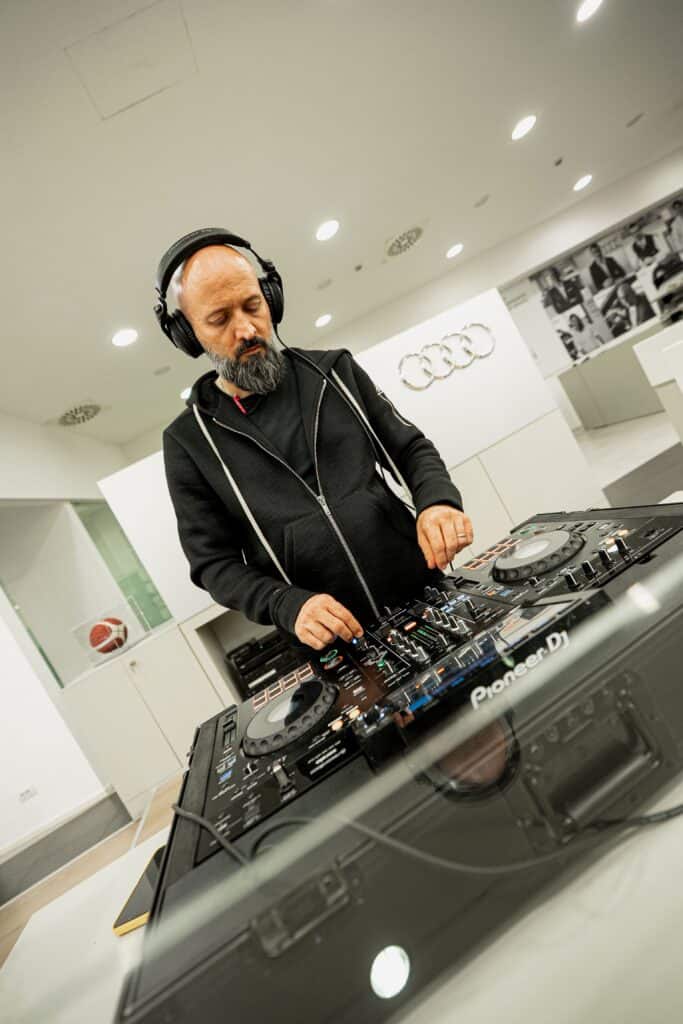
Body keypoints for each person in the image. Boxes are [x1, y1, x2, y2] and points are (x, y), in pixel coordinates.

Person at [158, 230, 473, 652]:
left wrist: (437, 501)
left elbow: (410, 448)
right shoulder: (188, 442)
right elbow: (213, 565)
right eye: (219, 319)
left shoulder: (336, 372)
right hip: (332, 641)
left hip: (424, 592)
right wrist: (285, 604)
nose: (246, 329)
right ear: (189, 333)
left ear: (271, 299)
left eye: (252, 305)